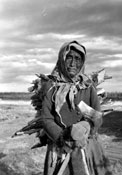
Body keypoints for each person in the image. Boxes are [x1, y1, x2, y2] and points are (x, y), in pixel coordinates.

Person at [41, 41, 111, 175]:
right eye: (69, 57)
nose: (73, 63)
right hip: (60, 148)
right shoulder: (51, 87)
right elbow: (46, 118)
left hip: (86, 146)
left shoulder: (87, 87)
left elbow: (97, 116)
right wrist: (63, 137)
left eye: (78, 59)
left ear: (82, 62)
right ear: (62, 59)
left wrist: (85, 127)